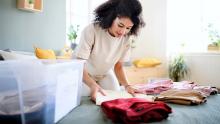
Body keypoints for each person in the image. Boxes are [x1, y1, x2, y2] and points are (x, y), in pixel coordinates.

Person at [74, 0, 145, 101]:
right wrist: (92, 84)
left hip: (105, 73)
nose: (123, 32)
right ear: (111, 17)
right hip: (84, 73)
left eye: (128, 28)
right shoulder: (92, 30)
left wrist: (127, 86)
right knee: (87, 96)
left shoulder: (127, 38)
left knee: (115, 95)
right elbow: (79, 65)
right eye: (120, 25)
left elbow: (118, 66)